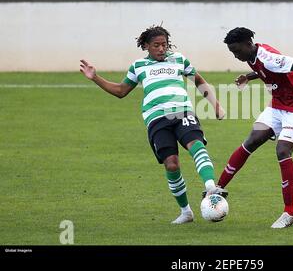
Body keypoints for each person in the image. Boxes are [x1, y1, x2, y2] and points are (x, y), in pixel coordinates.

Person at [79, 25, 227, 224]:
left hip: (182, 110)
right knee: (171, 164)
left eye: (164, 45)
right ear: (146, 46)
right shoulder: (138, 66)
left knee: (196, 144)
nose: (161, 49)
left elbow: (199, 80)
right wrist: (95, 77)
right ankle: (186, 212)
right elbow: (121, 91)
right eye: (156, 45)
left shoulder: (179, 60)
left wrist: (215, 105)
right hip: (156, 119)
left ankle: (211, 187)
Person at [216, 27, 293, 228]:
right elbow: (262, 69)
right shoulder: (252, 56)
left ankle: (289, 213)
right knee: (252, 140)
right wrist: (248, 77)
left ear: (248, 44)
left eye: (237, 51)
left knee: (282, 150)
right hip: (278, 105)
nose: (236, 56)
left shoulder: (267, 56)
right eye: (232, 53)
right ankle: (218, 188)